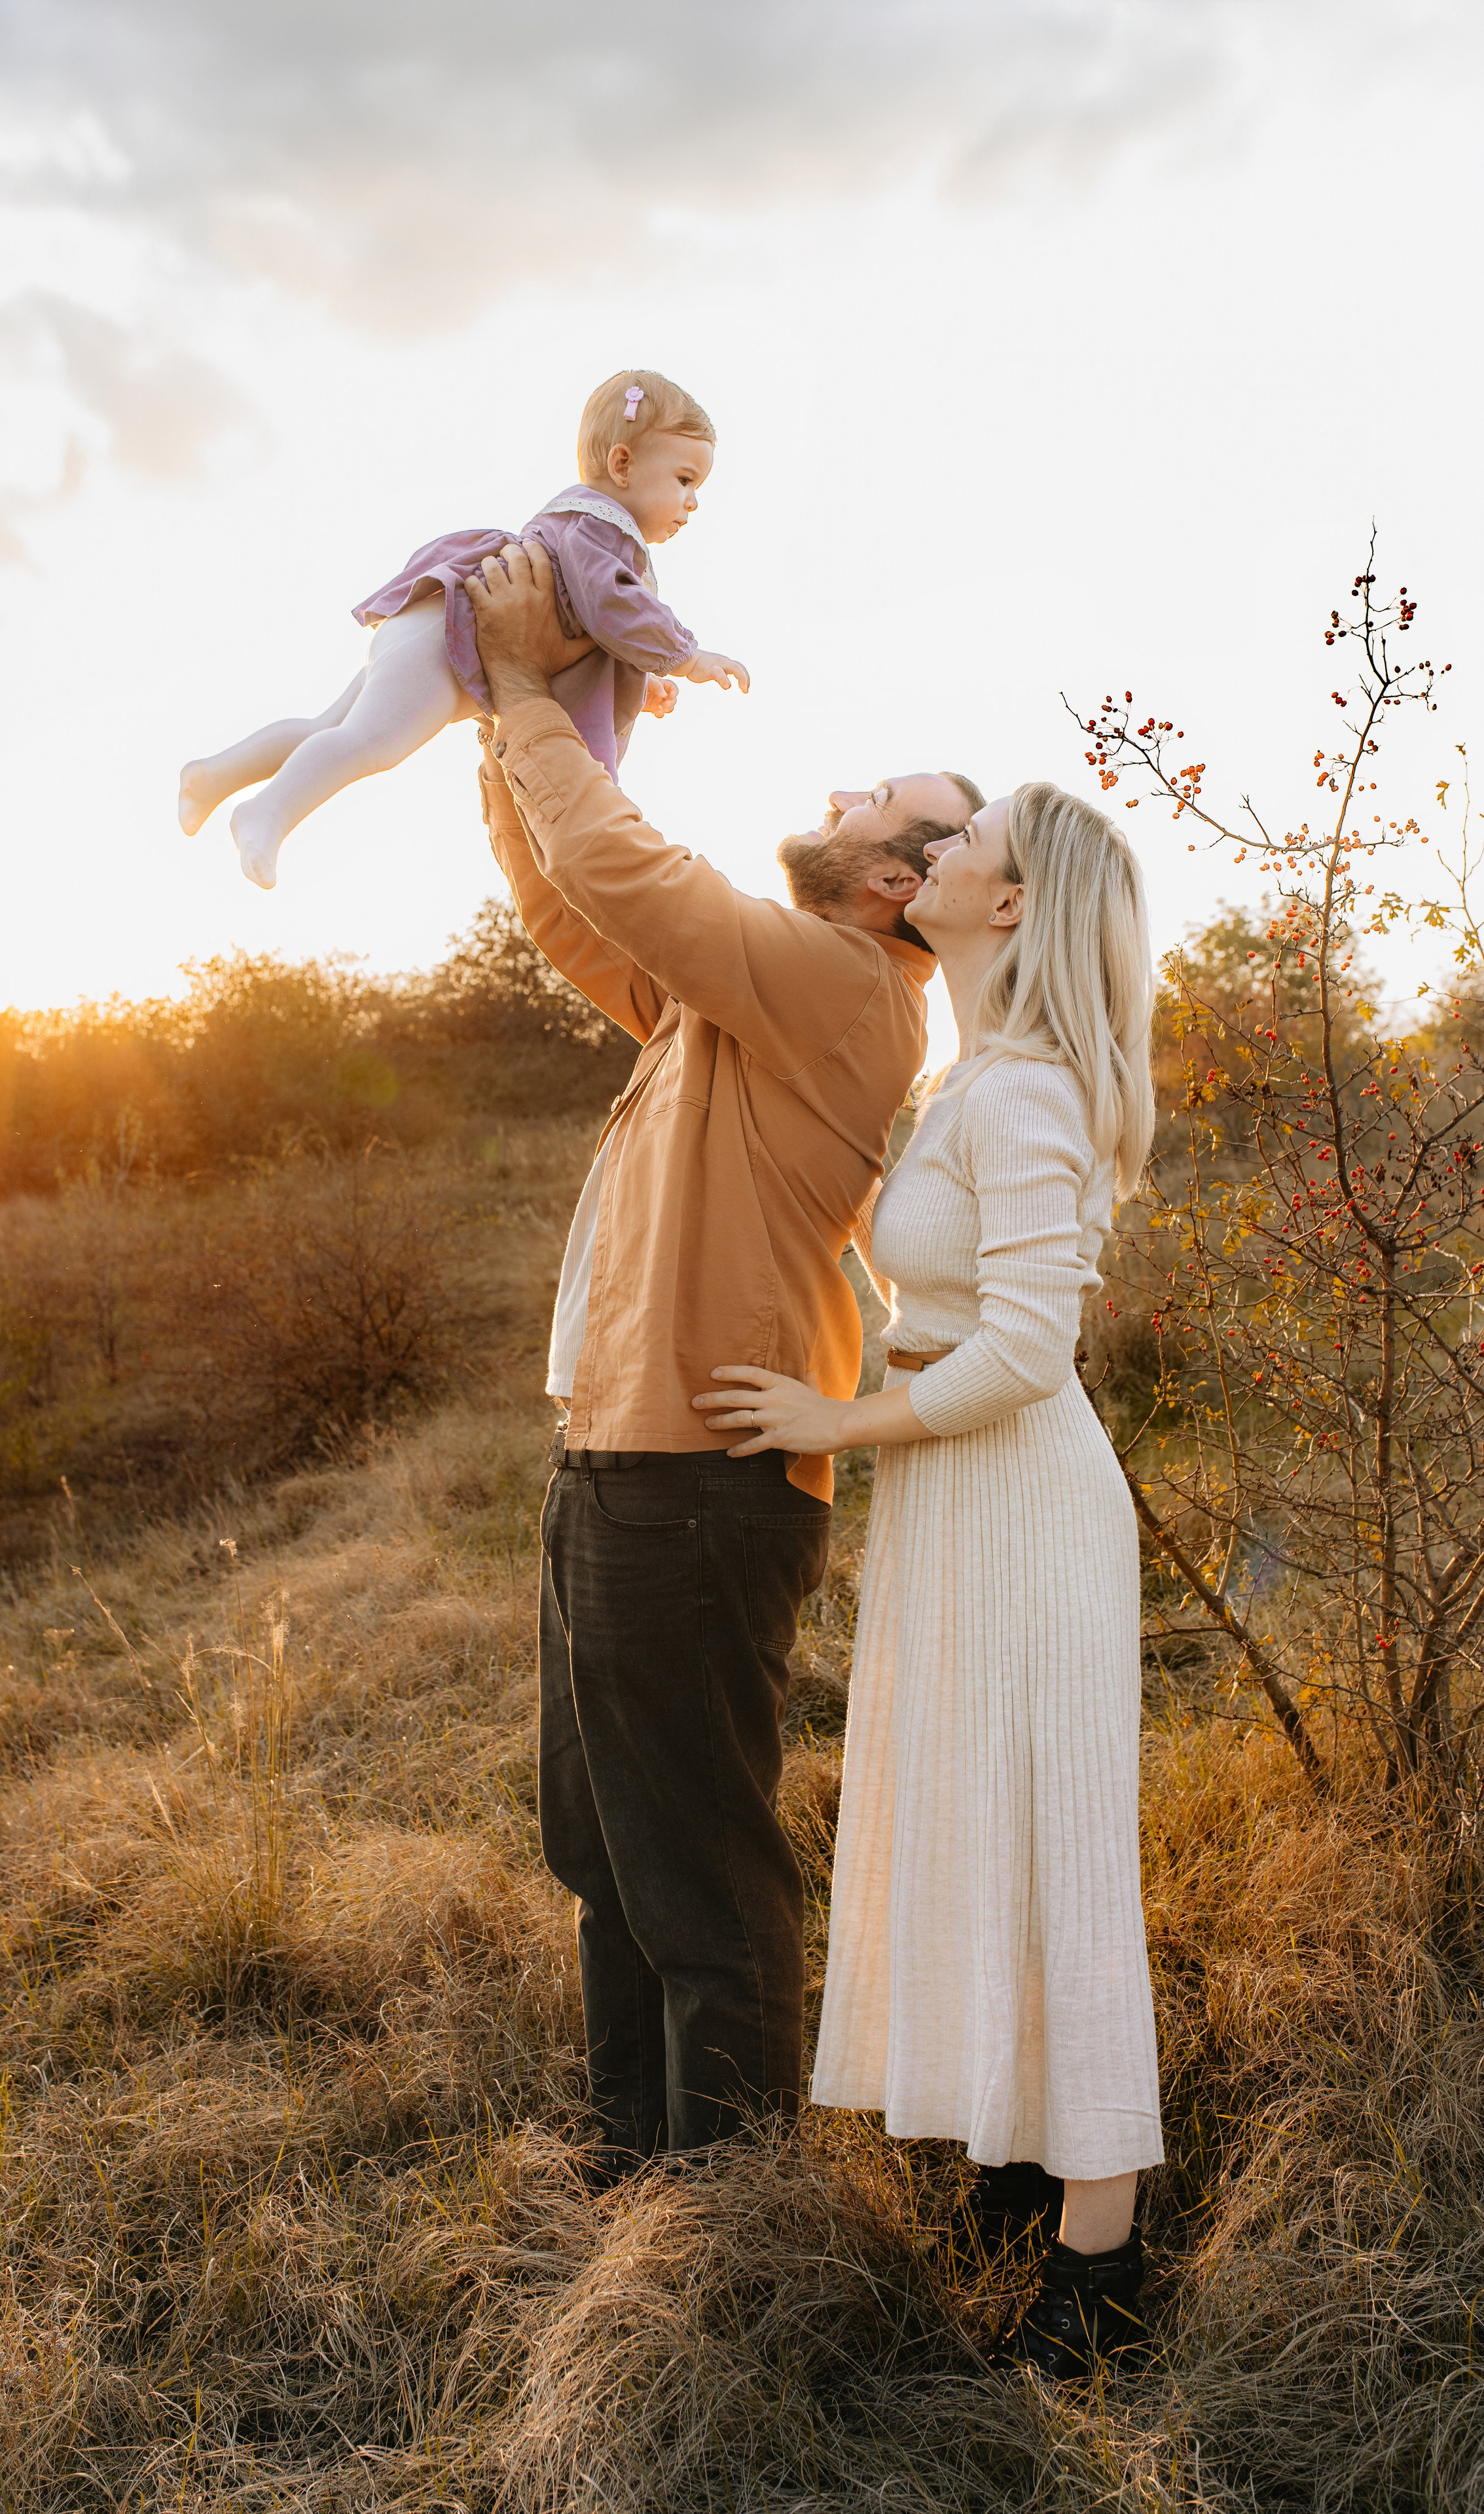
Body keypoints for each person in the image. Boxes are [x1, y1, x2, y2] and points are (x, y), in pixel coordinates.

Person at [463, 536, 983, 2176]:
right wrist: (504, 715)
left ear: (894, 881)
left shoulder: (841, 985)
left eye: (864, 798)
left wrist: (535, 693)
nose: (828, 795)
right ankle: (638, 2170)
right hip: (619, 1465)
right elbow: (572, 908)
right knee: (603, 1846)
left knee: (696, 1862)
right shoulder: (741, 995)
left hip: (696, 1485)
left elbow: (629, 877)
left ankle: (736, 2224)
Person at [695, 784, 1164, 2380]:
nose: (934, 857)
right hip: (957, 1509)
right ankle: (1017, 2162)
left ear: (1012, 906)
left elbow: (1031, 1350)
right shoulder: (971, 1078)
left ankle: (1098, 2269)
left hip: (1024, 1512)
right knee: (980, 1831)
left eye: (964, 848)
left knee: (1059, 1862)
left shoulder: (1023, 1093)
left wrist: (838, 1416)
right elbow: (942, 1289)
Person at [177, 369, 749, 889]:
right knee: (373, 744)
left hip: (433, 625)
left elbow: (594, 635)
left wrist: (639, 681)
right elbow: (611, 608)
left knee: (331, 726)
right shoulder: (601, 532)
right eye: (684, 479)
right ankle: (266, 813)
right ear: (622, 465)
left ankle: (211, 776)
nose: (693, 502)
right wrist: (684, 656)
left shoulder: (586, 532)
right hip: (449, 643)